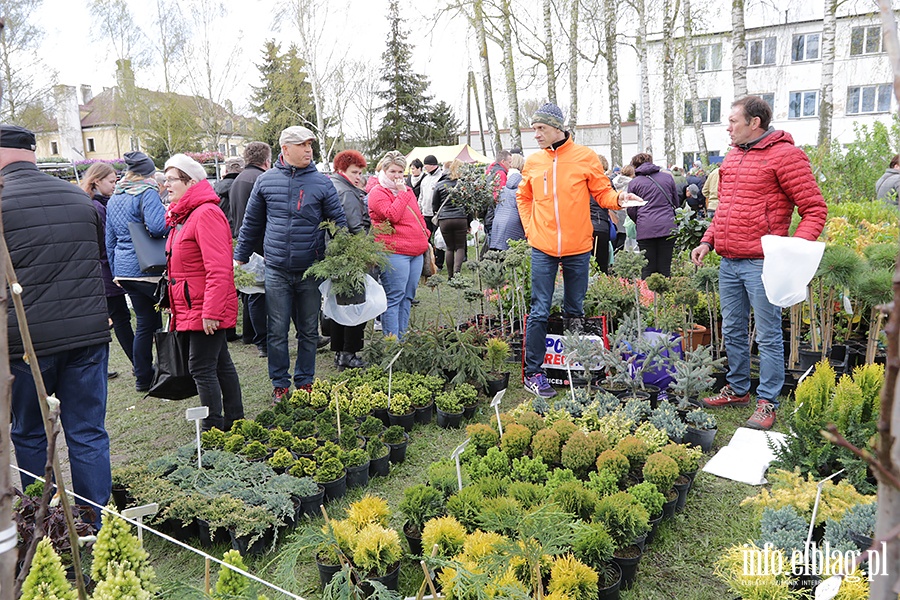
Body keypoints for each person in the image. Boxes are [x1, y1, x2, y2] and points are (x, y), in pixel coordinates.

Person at [691, 95, 827, 431]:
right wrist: (708, 240)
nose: (728, 127)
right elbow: (724, 209)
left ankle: (767, 401)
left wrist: (792, 250)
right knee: (733, 331)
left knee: (767, 336)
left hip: (762, 264)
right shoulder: (734, 156)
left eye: (733, 121)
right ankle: (738, 389)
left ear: (755, 122)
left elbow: (814, 209)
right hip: (729, 261)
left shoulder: (786, 156)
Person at [2, 124, 112, 525]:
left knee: (30, 432)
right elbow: (98, 260)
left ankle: (43, 526)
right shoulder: (78, 197)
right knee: (87, 430)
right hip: (86, 334)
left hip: (26, 341)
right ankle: (91, 524)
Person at [517, 103, 625, 398]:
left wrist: (619, 199)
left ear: (557, 128)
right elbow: (523, 198)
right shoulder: (533, 162)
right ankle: (534, 373)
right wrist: (530, 229)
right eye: (534, 128)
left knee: (574, 309)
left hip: (578, 246)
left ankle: (575, 366)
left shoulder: (585, 157)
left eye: (540, 128)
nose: (535, 134)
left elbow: (603, 192)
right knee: (539, 310)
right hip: (542, 246)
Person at [234, 126, 347, 402]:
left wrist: (349, 253)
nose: (309, 149)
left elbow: (339, 223)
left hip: (310, 270)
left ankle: (305, 382)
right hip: (276, 270)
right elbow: (251, 223)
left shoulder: (321, 183)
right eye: (302, 145)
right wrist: (240, 256)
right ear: (285, 149)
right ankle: (280, 385)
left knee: (308, 330)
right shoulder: (266, 181)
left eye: (310, 144)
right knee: (277, 331)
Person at [163, 154, 243, 431]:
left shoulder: (205, 214)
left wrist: (211, 312)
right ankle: (235, 420)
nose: (166, 184)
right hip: (192, 304)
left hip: (204, 307)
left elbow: (219, 269)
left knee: (200, 367)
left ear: (191, 181)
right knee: (219, 363)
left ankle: (213, 427)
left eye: (172, 179)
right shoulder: (184, 215)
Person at [106, 151, 168, 393]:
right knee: (171, 319)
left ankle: (143, 377)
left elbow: (109, 239)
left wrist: (115, 271)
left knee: (144, 323)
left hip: (125, 270)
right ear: (149, 173)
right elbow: (157, 226)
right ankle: (173, 369)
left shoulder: (115, 196)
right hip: (149, 268)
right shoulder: (147, 191)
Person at [368, 150, 429, 339]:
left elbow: (417, 215)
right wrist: (402, 194)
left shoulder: (407, 191)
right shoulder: (378, 193)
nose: (397, 176)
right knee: (394, 298)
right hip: (395, 252)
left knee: (408, 297)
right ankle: (392, 343)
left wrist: (425, 234)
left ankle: (402, 340)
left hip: (416, 251)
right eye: (393, 171)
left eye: (400, 172)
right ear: (384, 170)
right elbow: (392, 215)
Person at [81, 163, 135, 379]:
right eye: (111, 181)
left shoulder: (94, 203)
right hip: (103, 269)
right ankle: (137, 363)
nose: (115, 185)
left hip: (99, 269)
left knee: (112, 318)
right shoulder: (97, 207)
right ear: (97, 181)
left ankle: (104, 366)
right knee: (119, 317)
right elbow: (105, 241)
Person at [329, 149, 370, 369]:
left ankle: (338, 351)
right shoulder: (347, 192)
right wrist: (366, 252)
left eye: (360, 172)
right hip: (349, 255)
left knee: (340, 305)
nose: (358, 177)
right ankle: (349, 353)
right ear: (341, 169)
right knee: (355, 305)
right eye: (354, 171)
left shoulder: (332, 186)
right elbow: (355, 226)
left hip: (335, 254)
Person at [229, 142, 272, 356]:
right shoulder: (259, 179)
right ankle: (263, 341)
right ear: (266, 160)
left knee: (252, 294)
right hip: (259, 243)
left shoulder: (238, 179)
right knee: (257, 294)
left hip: (244, 240)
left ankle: (255, 337)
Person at [626, 153, 679, 278]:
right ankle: (664, 296)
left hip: (646, 227)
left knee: (647, 267)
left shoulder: (634, 183)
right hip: (667, 226)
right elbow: (676, 202)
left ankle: (648, 296)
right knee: (665, 267)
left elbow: (631, 210)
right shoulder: (667, 178)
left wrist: (639, 220)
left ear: (635, 166)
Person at [432, 159, 468, 278]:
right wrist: (469, 220)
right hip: (460, 217)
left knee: (449, 247)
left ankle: (450, 275)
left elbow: (435, 204)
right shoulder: (463, 184)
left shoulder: (439, 184)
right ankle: (457, 273)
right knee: (460, 247)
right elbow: (468, 204)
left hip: (445, 219)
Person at [489, 153, 526, 251]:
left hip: (498, 221)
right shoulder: (522, 185)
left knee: (499, 256)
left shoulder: (505, 186)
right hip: (513, 222)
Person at [418, 154, 444, 269]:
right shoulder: (425, 178)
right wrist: (419, 208)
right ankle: (427, 262)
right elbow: (421, 195)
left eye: (426, 166)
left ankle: (439, 263)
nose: (424, 168)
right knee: (425, 239)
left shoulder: (441, 177)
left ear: (432, 165)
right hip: (425, 213)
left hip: (437, 214)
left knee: (438, 239)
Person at [591, 154, 615, 273]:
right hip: (600, 223)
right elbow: (612, 200)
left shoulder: (582, 180)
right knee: (601, 263)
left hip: (583, 226)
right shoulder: (606, 181)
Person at [214, 156, 244, 232]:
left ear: (226, 170)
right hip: (243, 230)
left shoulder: (216, 189)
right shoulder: (246, 186)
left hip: (223, 230)